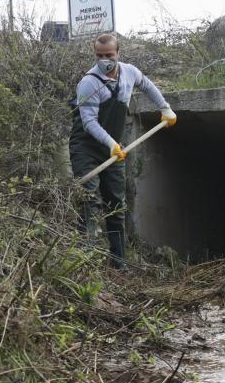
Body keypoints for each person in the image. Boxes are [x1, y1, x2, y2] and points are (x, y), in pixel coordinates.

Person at [69, 33, 176, 268]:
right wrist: (111, 144)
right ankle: (82, 263)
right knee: (89, 200)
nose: (104, 60)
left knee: (116, 203)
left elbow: (146, 85)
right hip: (86, 147)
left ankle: (119, 263)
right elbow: (89, 122)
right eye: (99, 56)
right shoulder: (88, 83)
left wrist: (165, 108)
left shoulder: (129, 72)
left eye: (109, 55)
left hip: (113, 149)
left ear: (118, 53)